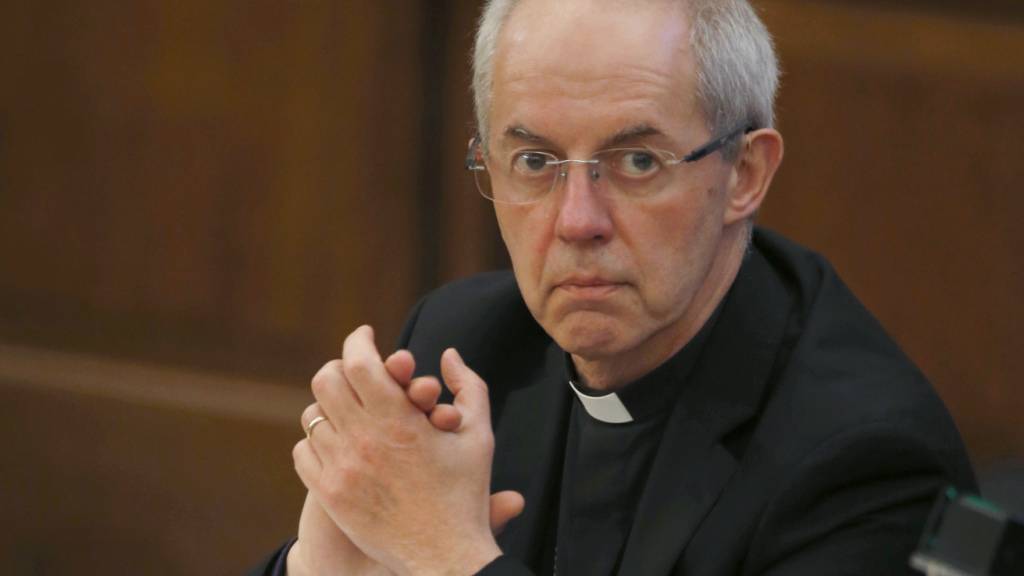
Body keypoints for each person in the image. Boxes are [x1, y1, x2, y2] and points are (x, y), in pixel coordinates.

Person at [252, 0, 976, 574]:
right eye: (534, 161)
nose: (576, 222)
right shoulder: (462, 348)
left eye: (635, 162)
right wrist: (318, 566)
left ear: (744, 175)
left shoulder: (863, 462)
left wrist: (453, 561)